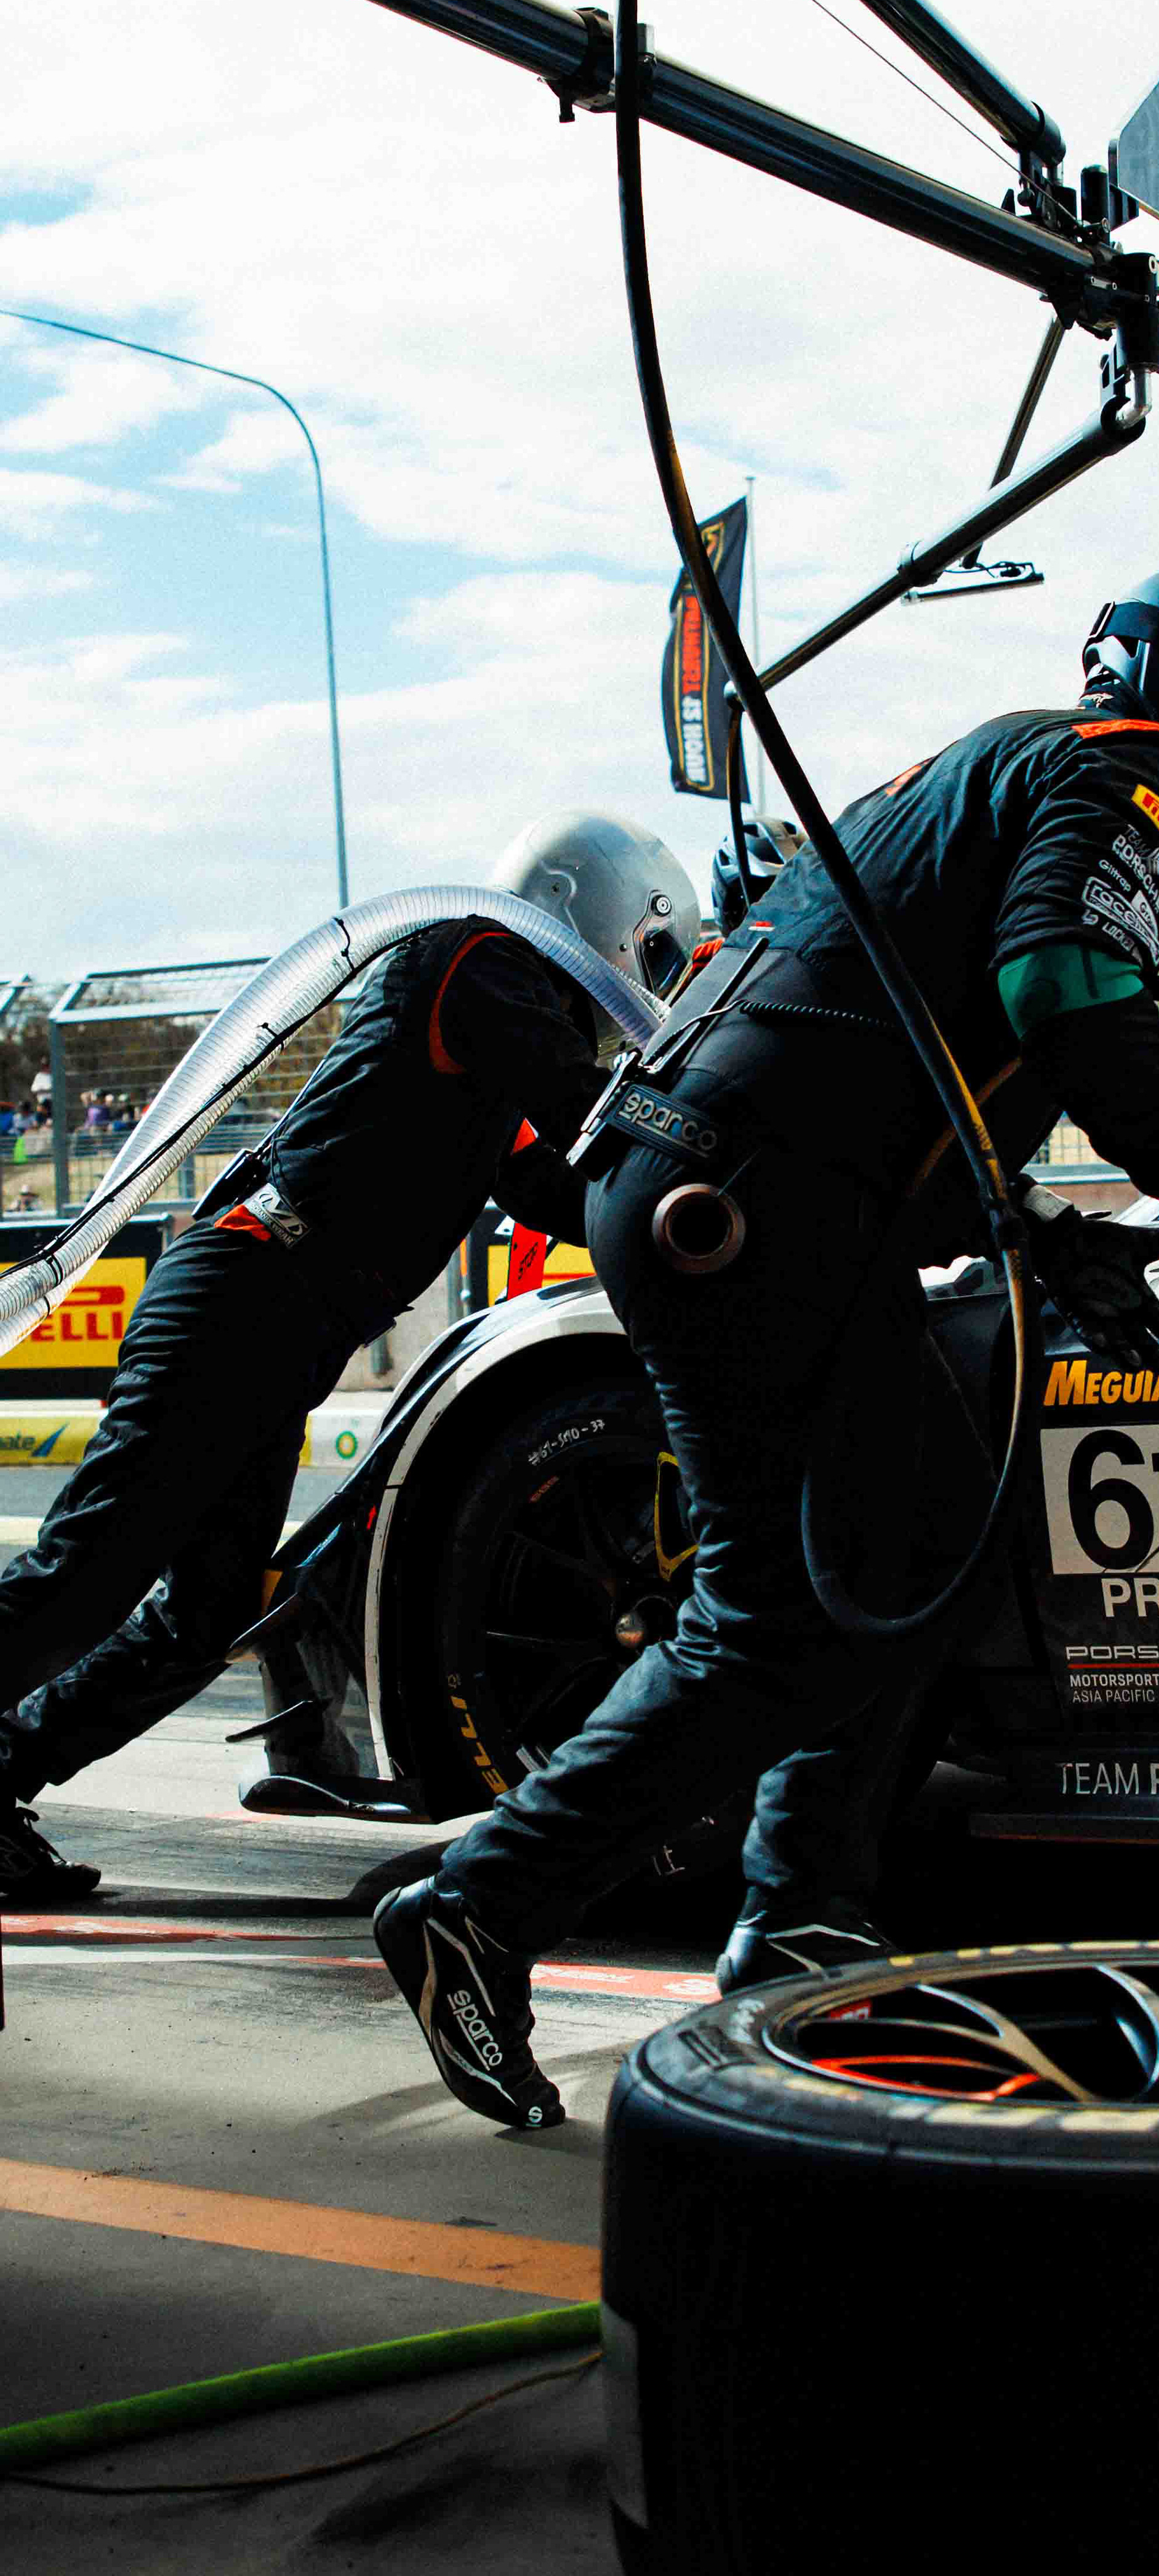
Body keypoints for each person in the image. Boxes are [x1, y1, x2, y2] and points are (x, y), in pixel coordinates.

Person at [372, 557, 1159, 2130]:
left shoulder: (1009, 766)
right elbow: (1062, 984)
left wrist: (1040, 1227)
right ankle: (481, 1900)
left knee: (916, 1546)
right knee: (783, 1612)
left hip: (740, 1188)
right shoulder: (1135, 773)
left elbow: (883, 1047)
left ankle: (801, 1912)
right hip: (742, 1207)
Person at [0, 811, 696, 1903]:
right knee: (86, 1577)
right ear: (595, 908)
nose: (645, 984)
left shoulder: (494, 1029)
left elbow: (559, 1188)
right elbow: (587, 1117)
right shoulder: (476, 957)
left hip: (276, 1324)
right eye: (653, 951)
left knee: (198, 1620)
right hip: (240, 1298)